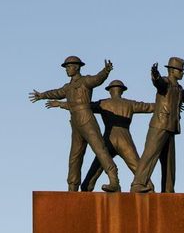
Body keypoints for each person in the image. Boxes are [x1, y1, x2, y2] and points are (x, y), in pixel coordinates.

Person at [30, 56, 121, 193]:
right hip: (75, 123)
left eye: (69, 66)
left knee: (100, 149)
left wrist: (106, 71)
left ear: (77, 67)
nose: (67, 69)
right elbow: (57, 92)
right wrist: (42, 95)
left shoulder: (85, 81)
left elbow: (98, 79)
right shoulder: (68, 87)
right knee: (75, 156)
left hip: (87, 119)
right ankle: (72, 188)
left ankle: (114, 180)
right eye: (66, 67)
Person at [46, 80, 155, 192]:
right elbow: (149, 107)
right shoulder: (130, 104)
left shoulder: (103, 103)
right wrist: (168, 104)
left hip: (108, 138)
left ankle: (86, 187)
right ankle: (149, 186)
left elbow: (82, 106)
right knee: (137, 166)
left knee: (97, 167)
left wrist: (61, 104)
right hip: (125, 139)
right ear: (122, 91)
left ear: (110, 91)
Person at [130, 57, 184, 193]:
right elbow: (158, 82)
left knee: (169, 162)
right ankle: (138, 184)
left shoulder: (178, 88)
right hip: (159, 125)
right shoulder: (165, 83)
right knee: (150, 155)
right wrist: (155, 74)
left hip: (171, 127)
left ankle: (168, 190)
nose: (182, 73)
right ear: (172, 71)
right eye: (180, 70)